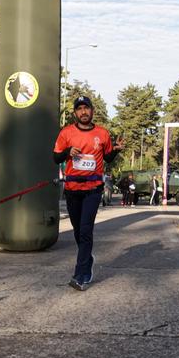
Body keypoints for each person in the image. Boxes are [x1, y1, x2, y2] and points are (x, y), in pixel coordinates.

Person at [53, 96, 123, 291]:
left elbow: (108, 156)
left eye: (87, 108)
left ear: (92, 111)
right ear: (75, 113)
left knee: (85, 230)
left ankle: (81, 275)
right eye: (79, 109)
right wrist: (68, 152)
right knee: (77, 231)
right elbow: (55, 157)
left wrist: (115, 150)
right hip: (73, 189)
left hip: (93, 190)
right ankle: (88, 259)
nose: (83, 112)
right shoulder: (66, 133)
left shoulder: (102, 133)